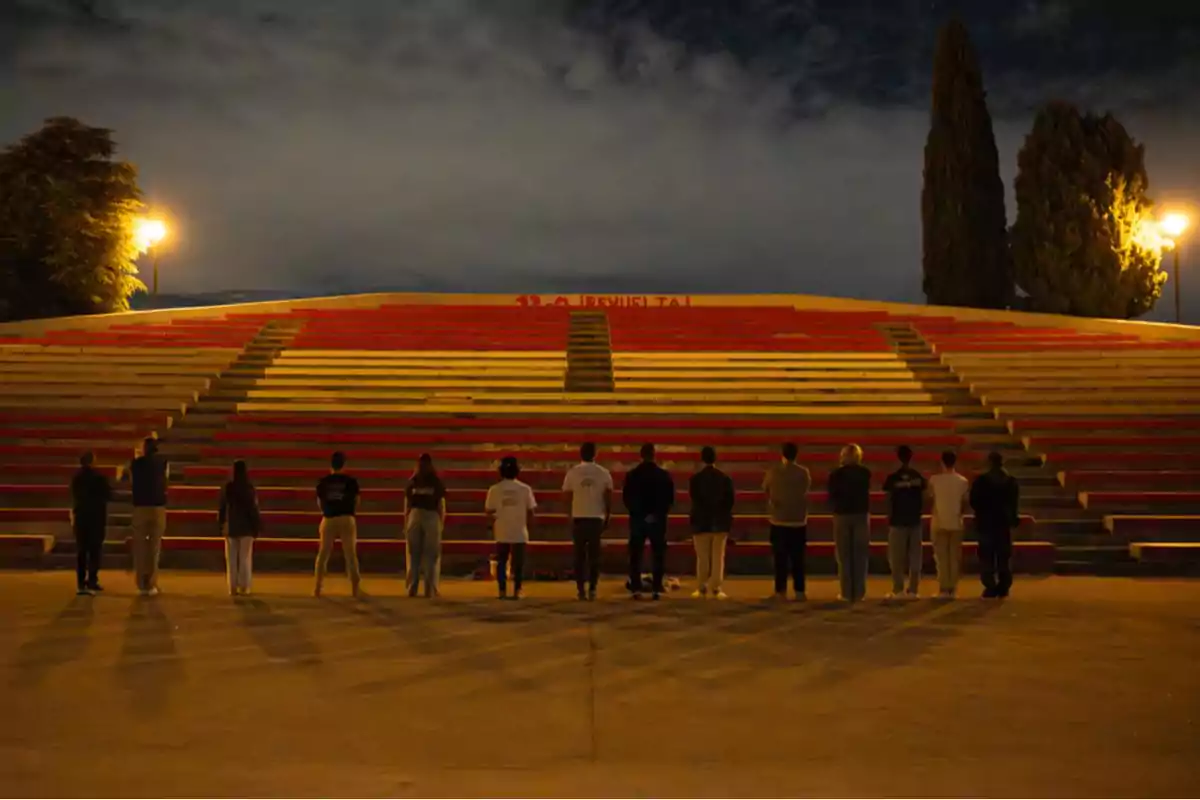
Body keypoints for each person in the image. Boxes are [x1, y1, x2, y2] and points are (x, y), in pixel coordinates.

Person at [622, 443, 675, 600]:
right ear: (654, 455)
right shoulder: (663, 475)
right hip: (657, 520)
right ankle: (656, 588)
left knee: (636, 554)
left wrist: (640, 514)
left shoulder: (632, 475)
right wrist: (655, 514)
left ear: (641, 455)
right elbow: (669, 500)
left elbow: (627, 499)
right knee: (658, 554)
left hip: (638, 519)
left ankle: (636, 588)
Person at [562, 442, 613, 601]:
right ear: (595, 454)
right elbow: (608, 496)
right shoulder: (603, 473)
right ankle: (592, 588)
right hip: (596, 517)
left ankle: (580, 589)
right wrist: (608, 514)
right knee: (594, 556)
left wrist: (569, 515)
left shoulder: (573, 472)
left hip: (578, 516)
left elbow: (567, 496)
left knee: (579, 556)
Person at [762, 442, 811, 601]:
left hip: (779, 519)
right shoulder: (803, 472)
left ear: (782, 454)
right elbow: (806, 489)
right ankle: (800, 591)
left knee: (780, 559)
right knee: (798, 559)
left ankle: (780, 591)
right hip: (798, 520)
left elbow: (765, 488)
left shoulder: (774, 472)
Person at [485, 456, 537, 600]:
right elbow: (531, 511)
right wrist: (529, 525)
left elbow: (489, 511)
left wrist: (493, 523)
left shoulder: (494, 489)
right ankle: (517, 590)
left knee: (501, 561)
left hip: (502, 528)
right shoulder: (525, 489)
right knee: (518, 563)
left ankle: (502, 590)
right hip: (519, 529)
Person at [970, 451, 1020, 599]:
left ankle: (990, 586)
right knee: (1003, 556)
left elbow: (974, 501)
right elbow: (1014, 504)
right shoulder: (1010, 481)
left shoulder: (981, 481)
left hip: (986, 523)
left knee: (987, 556)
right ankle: (1004, 586)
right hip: (1003, 523)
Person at [689, 446, 735, 599]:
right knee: (718, 556)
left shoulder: (695, 479)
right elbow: (730, 502)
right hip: (720, 522)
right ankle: (716, 588)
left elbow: (694, 500)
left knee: (702, 557)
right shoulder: (725, 479)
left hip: (701, 522)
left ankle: (701, 587)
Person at [314, 451, 362, 598]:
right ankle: (355, 587)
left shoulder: (323, 482)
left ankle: (318, 587)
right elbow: (357, 501)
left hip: (329, 518)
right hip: (347, 518)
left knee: (323, 553)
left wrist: (327, 511)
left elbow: (319, 502)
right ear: (344, 464)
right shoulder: (351, 482)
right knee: (350, 554)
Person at [828, 444, 872, 603]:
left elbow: (832, 495)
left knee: (844, 555)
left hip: (842, 515)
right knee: (860, 555)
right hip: (860, 514)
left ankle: (846, 592)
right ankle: (859, 592)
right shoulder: (865, 473)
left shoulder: (836, 474)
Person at [882, 445, 928, 599]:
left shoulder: (893, 478)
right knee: (915, 557)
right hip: (914, 519)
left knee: (896, 557)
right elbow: (925, 493)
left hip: (897, 521)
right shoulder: (917, 477)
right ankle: (913, 590)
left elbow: (887, 496)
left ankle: (898, 589)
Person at [127, 437, 169, 597]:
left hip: (140, 507)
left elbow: (132, 482)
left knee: (140, 547)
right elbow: (165, 482)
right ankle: (151, 583)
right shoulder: (162, 463)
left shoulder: (135, 464)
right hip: (157, 507)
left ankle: (141, 583)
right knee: (154, 547)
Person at [928, 450, 970, 598]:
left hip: (939, 521)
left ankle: (943, 587)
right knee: (954, 557)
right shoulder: (963, 481)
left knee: (941, 558)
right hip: (956, 522)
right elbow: (965, 503)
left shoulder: (934, 480)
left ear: (942, 462)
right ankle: (953, 588)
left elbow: (931, 499)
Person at [404, 453, 446, 598]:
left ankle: (412, 587)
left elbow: (407, 506)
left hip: (415, 515)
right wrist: (441, 522)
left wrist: (406, 522)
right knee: (431, 555)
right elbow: (440, 504)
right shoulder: (436, 481)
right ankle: (430, 588)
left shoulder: (412, 481)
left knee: (413, 554)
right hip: (431, 516)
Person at [70, 451, 112, 596]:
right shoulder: (99, 477)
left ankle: (81, 583)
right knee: (95, 550)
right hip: (96, 517)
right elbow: (108, 495)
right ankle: (92, 580)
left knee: (82, 551)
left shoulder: (76, 478)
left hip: (81, 516)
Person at [219, 460, 262, 596]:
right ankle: (244, 586)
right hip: (247, 527)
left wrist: (222, 523)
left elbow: (222, 508)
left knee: (231, 559)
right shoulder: (249, 489)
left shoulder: (228, 488)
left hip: (232, 526)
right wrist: (256, 526)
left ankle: (232, 586)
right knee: (245, 558)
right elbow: (253, 509)